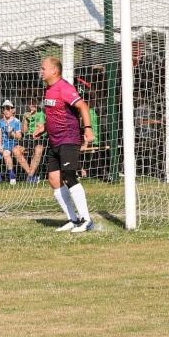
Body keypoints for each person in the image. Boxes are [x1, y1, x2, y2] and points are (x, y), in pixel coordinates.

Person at [39, 56, 96, 232]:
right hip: (54, 140)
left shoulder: (64, 87)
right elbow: (55, 114)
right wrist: (44, 127)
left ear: (54, 71)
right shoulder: (48, 90)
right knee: (54, 180)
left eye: (43, 68)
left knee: (69, 177)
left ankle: (86, 220)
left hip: (69, 139)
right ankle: (73, 219)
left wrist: (88, 128)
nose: (41, 71)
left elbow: (83, 106)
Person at [0, 99, 24, 184]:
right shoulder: (0, 122)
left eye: (8, 108)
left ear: (13, 110)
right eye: (4, 109)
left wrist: (11, 133)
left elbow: (19, 137)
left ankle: (12, 176)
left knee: (6, 154)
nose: (6, 111)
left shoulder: (16, 122)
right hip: (2, 144)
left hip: (12, 143)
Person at [14, 98, 46, 182]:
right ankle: (31, 175)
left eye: (34, 102)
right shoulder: (26, 114)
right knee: (16, 150)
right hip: (29, 138)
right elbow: (24, 131)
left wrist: (33, 118)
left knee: (38, 150)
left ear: (37, 103)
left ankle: (30, 176)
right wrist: (25, 119)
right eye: (30, 103)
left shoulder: (41, 113)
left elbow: (41, 128)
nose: (32, 105)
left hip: (40, 137)